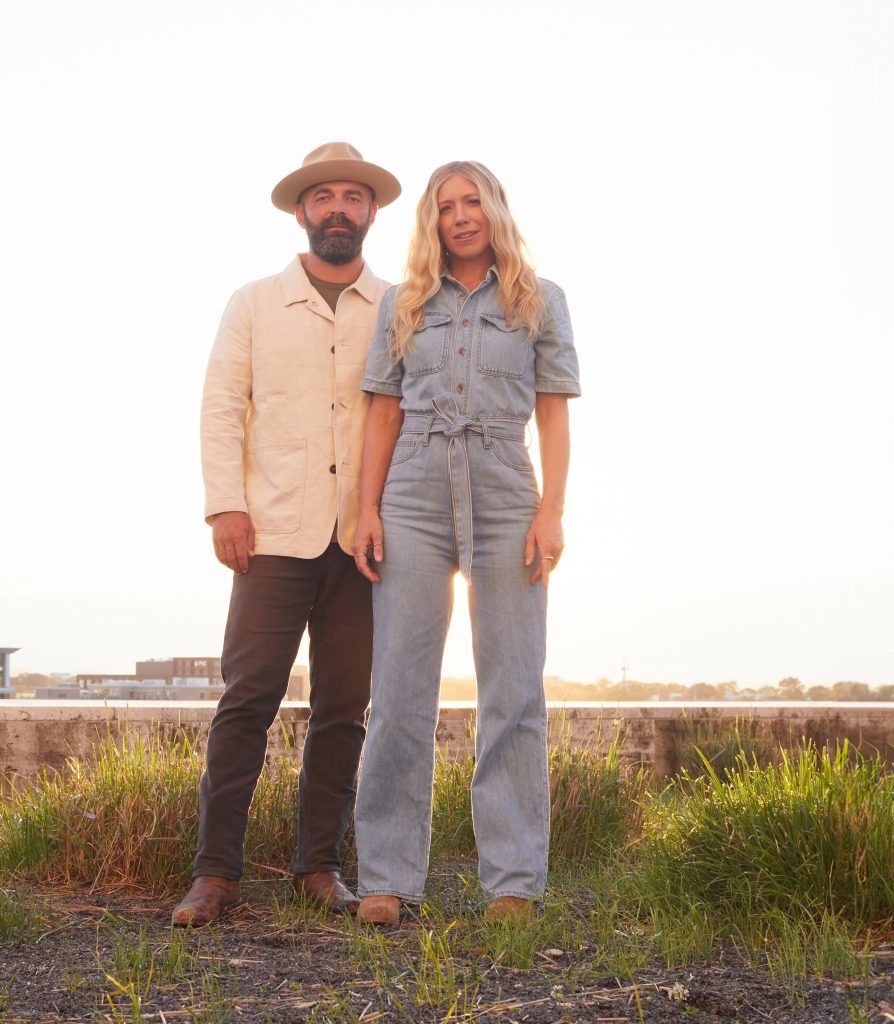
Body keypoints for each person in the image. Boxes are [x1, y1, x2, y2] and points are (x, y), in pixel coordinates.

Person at [172, 142, 401, 927]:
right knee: (247, 702)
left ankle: (317, 867)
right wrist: (224, 506)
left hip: (366, 540)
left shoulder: (401, 306)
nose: (339, 209)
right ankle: (215, 875)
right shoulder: (253, 303)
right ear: (302, 211)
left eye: (353, 197)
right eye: (324, 197)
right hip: (269, 532)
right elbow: (221, 408)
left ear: (372, 213)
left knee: (345, 709)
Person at [351, 161, 580, 925]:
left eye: (471, 200)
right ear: (432, 222)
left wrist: (551, 510)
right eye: (445, 206)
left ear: (495, 208)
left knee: (513, 691)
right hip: (412, 491)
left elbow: (553, 416)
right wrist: (366, 510)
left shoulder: (540, 301)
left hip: (506, 491)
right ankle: (386, 878)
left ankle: (513, 881)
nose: (460, 216)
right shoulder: (402, 301)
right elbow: (381, 413)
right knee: (400, 691)